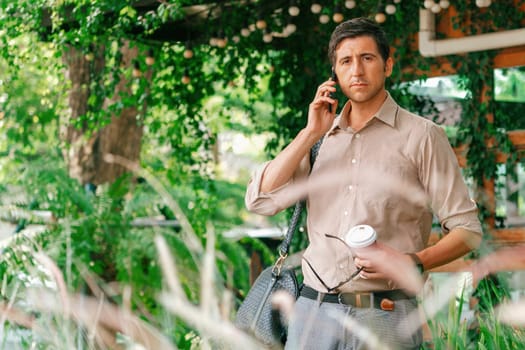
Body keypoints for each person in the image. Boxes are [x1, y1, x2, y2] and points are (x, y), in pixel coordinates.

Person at [245, 17, 482, 350]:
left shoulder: (422, 137)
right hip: (312, 314)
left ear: (387, 64)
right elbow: (260, 200)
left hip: (387, 313)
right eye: (346, 61)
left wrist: (414, 261)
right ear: (335, 73)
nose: (356, 70)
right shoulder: (318, 140)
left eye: (367, 58)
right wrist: (309, 132)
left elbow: (468, 231)